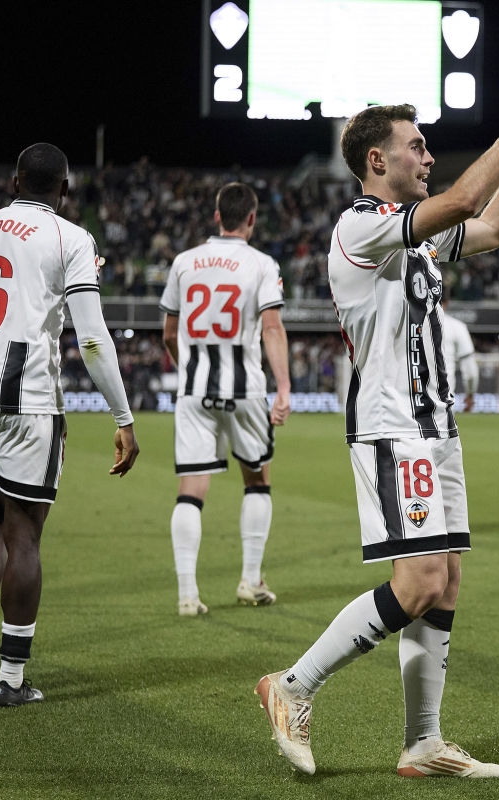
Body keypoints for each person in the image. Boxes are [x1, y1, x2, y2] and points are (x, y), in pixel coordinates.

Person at [255, 49, 499, 779]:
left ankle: (424, 742)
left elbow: (494, 229)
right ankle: (292, 684)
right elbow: (459, 203)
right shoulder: (362, 227)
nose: (426, 154)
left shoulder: (410, 236)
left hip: (433, 424)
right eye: (415, 146)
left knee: (446, 581)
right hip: (392, 425)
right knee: (419, 582)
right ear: (375, 159)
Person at [0, 143, 139, 706]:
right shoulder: (71, 237)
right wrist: (123, 415)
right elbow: (90, 338)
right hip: (30, 396)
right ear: (64, 190)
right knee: (25, 536)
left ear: (15, 180)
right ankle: (12, 678)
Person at [160, 182, 291, 616]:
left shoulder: (184, 262)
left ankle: (186, 594)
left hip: (195, 388)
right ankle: (250, 581)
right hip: (246, 388)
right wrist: (284, 387)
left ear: (217, 216)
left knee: (191, 490)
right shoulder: (261, 264)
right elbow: (271, 327)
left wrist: (188, 371)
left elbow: (168, 334)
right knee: (256, 480)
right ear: (251, 219)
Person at [438, 295, 478, 412]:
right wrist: (470, 394)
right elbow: (470, 370)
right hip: (444, 396)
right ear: (446, 301)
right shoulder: (457, 327)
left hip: (412, 396)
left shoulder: (409, 325)